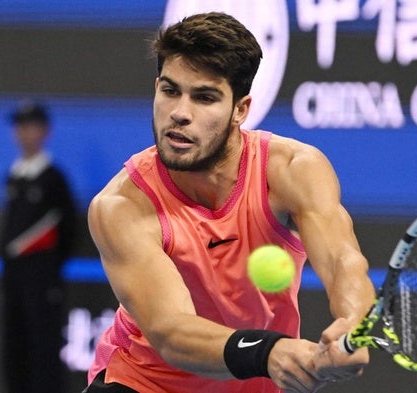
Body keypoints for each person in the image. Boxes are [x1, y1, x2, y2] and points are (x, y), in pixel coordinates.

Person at [84, 12, 375, 393]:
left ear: (241, 109)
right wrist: (268, 352)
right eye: (170, 91)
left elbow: (343, 261)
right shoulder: (120, 205)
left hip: (254, 383)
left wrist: (353, 324)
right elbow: (170, 331)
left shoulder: (292, 169)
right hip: (145, 382)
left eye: (204, 97)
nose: (180, 113)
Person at [0, 100, 76, 393]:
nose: (23, 133)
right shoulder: (14, 175)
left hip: (42, 281)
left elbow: (67, 231)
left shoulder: (54, 179)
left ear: (44, 131)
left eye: (31, 126)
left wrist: (47, 268)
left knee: (42, 348)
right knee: (14, 348)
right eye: (19, 127)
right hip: (13, 280)